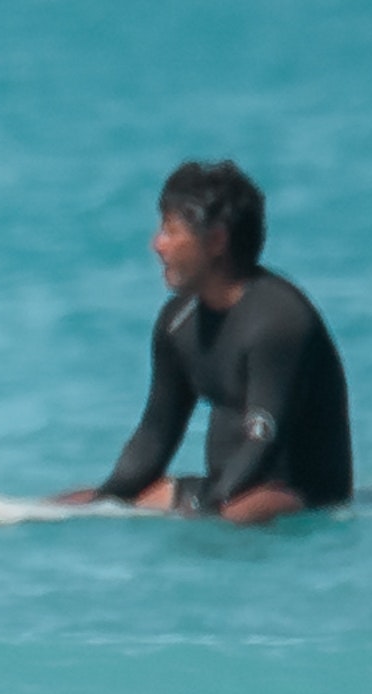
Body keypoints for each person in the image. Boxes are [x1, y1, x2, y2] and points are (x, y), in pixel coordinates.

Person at [57, 159, 352, 523]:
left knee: (239, 512)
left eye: (170, 231)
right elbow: (155, 433)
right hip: (223, 488)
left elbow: (263, 439)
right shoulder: (178, 321)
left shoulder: (278, 321)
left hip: (298, 491)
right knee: (91, 499)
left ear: (215, 241)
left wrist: (207, 506)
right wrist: (107, 499)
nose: (157, 244)